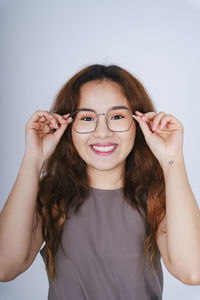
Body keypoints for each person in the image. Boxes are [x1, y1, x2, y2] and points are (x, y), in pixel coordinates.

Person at [0, 64, 200, 300]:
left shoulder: (157, 197)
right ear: (68, 127)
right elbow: (5, 267)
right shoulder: (52, 196)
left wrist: (172, 157)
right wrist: (33, 158)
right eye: (87, 117)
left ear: (139, 124)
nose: (102, 132)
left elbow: (192, 271)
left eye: (117, 116)